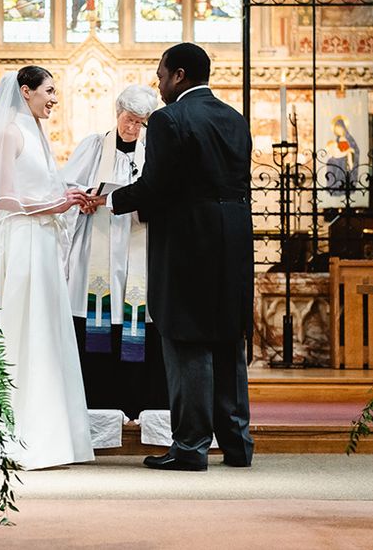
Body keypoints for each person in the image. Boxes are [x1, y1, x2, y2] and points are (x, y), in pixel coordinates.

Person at [92, 43, 254, 471]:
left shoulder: (170, 119)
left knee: (187, 343)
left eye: (161, 74)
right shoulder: (234, 118)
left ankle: (191, 447)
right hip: (233, 242)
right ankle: (238, 446)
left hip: (187, 246)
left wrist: (108, 199)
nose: (158, 83)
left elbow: (156, 186)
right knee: (227, 343)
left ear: (179, 75)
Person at [0, 65, 95, 470]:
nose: (55, 99)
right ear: (26, 91)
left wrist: (68, 195)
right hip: (20, 243)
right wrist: (56, 204)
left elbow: (39, 189)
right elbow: (4, 198)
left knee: (45, 331)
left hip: (40, 242)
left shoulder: (37, 133)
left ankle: (48, 432)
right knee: (21, 330)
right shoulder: (9, 131)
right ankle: (7, 431)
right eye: (50, 91)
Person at [62, 85, 168, 419]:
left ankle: (138, 403)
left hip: (138, 245)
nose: (132, 128)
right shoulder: (94, 147)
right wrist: (84, 199)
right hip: (97, 243)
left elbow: (162, 192)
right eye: (128, 119)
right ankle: (97, 402)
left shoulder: (154, 150)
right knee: (96, 318)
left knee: (138, 316)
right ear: (117, 112)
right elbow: (67, 188)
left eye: (139, 122)